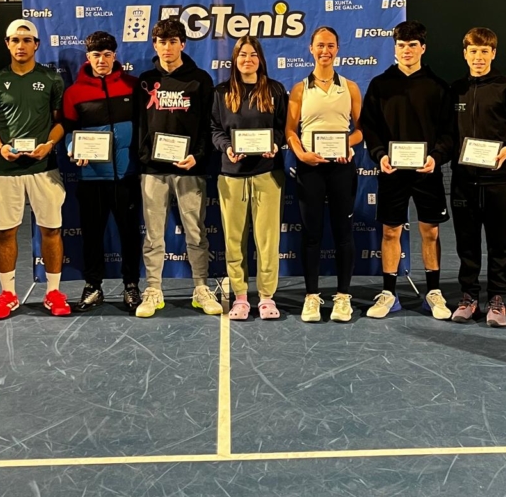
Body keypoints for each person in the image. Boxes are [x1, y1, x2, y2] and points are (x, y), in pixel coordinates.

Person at [359, 20, 452, 320]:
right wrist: (379, 155)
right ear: (395, 48)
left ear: (423, 48)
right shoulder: (380, 85)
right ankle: (389, 293)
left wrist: (436, 157)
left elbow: (449, 132)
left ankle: (433, 292)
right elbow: (369, 127)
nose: (407, 50)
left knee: (430, 232)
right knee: (390, 232)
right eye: (401, 45)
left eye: (412, 45)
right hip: (392, 173)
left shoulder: (438, 86)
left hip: (427, 172)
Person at [0, 18, 69, 319]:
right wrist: (0, 147)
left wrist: (49, 144)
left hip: (44, 168)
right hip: (7, 171)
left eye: (27, 40)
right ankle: (8, 294)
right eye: (15, 40)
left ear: (36, 45)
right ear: (7, 44)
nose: (21, 45)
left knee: (51, 230)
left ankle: (53, 293)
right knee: (6, 232)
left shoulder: (52, 80)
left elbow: (61, 122)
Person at [134, 17, 220, 318]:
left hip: (190, 168)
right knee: (153, 235)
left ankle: (201, 288)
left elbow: (209, 125)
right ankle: (153, 290)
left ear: (182, 44)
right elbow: (139, 124)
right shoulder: (145, 80)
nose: (167, 47)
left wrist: (198, 155)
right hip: (153, 171)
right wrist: (145, 157)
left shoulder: (200, 80)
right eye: (162, 42)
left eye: (173, 41)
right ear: (154, 45)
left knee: (195, 232)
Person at [450, 27, 506, 327]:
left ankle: (497, 298)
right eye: (473, 51)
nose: (478, 57)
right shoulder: (456, 89)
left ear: (493, 54)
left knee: (499, 244)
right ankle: (468, 296)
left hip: (499, 182)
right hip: (463, 182)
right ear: (465, 54)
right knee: (467, 244)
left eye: (484, 52)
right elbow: (447, 133)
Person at [285, 26, 363, 323]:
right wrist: (301, 154)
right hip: (310, 169)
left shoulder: (350, 87)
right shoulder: (299, 89)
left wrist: (346, 144)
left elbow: (361, 130)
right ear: (311, 49)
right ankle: (311, 296)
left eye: (330, 45)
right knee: (312, 234)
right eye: (320, 45)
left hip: (341, 168)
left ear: (338, 49)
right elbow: (290, 130)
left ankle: (343, 296)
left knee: (344, 233)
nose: (325, 51)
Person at [62, 30, 142, 313]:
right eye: (96, 55)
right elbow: (69, 130)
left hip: (127, 177)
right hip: (91, 178)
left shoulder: (133, 86)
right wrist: (73, 147)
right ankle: (93, 286)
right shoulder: (74, 93)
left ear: (115, 56)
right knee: (92, 236)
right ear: (88, 57)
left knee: (130, 235)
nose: (102, 60)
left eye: (107, 55)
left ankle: (131, 285)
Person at [211, 36, 287, 320]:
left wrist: (275, 144)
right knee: (234, 239)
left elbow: (282, 127)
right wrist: (227, 147)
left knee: (267, 240)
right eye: (243, 54)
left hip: (267, 174)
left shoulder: (275, 89)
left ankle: (266, 297)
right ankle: (241, 297)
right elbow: (214, 129)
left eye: (253, 55)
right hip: (231, 176)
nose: (248, 59)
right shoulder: (221, 92)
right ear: (235, 59)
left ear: (260, 59)